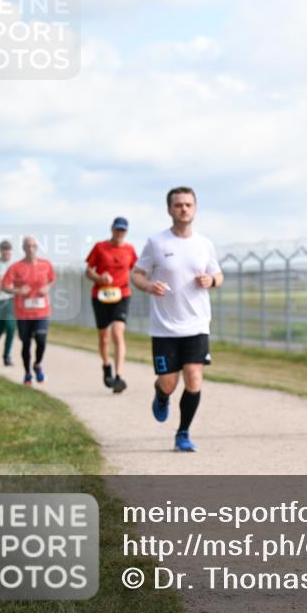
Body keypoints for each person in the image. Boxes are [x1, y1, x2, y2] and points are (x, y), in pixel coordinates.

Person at [132, 186, 223, 453]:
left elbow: (218, 276)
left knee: (194, 378)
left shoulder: (204, 244)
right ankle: (161, 394)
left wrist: (212, 280)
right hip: (164, 328)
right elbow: (136, 274)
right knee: (169, 382)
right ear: (169, 209)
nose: (184, 209)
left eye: (188, 204)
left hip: (196, 324)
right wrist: (148, 286)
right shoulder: (156, 243)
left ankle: (183, 433)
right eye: (178, 205)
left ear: (194, 208)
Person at [86, 217, 139, 393]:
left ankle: (118, 376)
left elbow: (135, 269)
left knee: (117, 332)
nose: (119, 233)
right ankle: (106, 366)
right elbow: (88, 271)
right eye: (117, 229)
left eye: (123, 230)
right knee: (104, 337)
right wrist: (99, 278)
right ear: (111, 229)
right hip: (101, 295)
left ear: (126, 232)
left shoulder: (130, 249)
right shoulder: (100, 247)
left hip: (121, 294)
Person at [1, 236, 56, 385]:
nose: (31, 249)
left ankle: (37, 364)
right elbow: (4, 286)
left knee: (41, 339)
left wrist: (47, 287)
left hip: (41, 311)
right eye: (28, 246)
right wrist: (18, 291)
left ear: (36, 248)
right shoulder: (16, 267)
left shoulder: (46, 264)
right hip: (23, 312)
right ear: (23, 248)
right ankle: (27, 374)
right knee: (26, 344)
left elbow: (52, 279)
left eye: (33, 246)